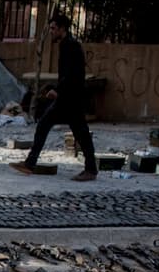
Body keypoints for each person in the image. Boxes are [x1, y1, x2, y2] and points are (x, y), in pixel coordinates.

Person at [10, 14, 97, 182]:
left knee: (54, 126)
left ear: (62, 28)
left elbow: (71, 74)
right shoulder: (68, 45)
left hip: (69, 98)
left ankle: (30, 163)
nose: (51, 32)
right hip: (70, 96)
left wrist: (58, 91)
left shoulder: (70, 46)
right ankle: (90, 169)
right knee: (78, 132)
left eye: (53, 28)